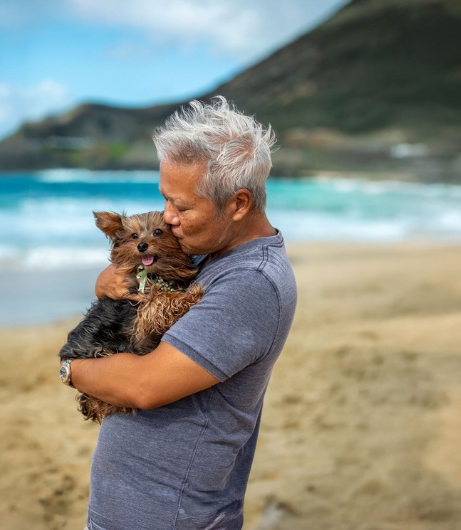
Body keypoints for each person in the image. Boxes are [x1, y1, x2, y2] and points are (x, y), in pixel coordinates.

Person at [61, 96, 297, 530]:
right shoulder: (205, 250)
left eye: (182, 207)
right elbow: (129, 271)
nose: (168, 219)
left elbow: (144, 386)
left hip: (170, 515)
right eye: (165, 200)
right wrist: (106, 281)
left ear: (238, 204)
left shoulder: (250, 282)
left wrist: (70, 368)